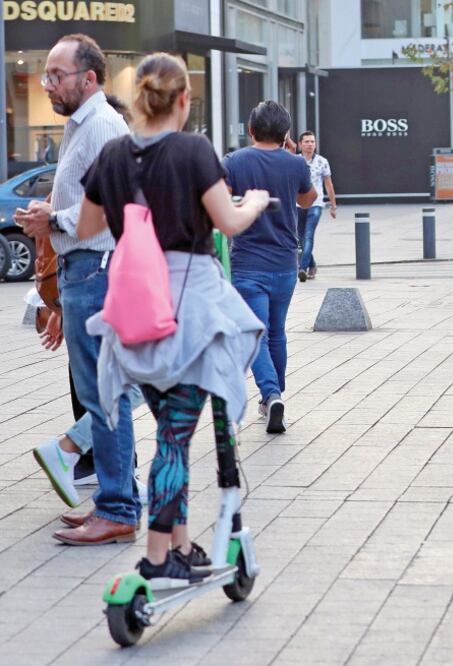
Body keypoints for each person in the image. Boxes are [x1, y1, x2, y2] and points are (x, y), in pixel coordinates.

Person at [77, 52, 270, 586]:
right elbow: (227, 224)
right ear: (184, 99)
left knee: (168, 429)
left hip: (134, 308)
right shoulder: (193, 150)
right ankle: (158, 557)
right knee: (173, 441)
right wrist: (252, 202)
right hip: (188, 311)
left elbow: (89, 224)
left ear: (139, 95)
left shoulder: (114, 154)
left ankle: (180, 547)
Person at [15, 34, 141, 546]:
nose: (47, 84)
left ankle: (116, 507)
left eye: (57, 75)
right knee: (104, 391)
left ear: (89, 79)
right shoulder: (81, 126)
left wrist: (55, 218)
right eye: (46, 74)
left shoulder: (104, 126)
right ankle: (117, 497)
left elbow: (119, 205)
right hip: (82, 269)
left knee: (105, 393)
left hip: (96, 267)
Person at [224, 101, 316, 434]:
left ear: (250, 130)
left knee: (255, 334)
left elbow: (220, 203)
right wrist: (291, 156)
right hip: (285, 263)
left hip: (248, 263)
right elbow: (308, 199)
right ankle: (272, 400)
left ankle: (271, 393)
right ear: (286, 134)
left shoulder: (235, 162)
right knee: (276, 331)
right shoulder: (295, 164)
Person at [296, 130, 336, 282]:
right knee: (299, 237)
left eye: (312, 141)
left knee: (308, 235)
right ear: (300, 144)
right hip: (298, 204)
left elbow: (329, 184)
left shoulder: (322, 161)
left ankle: (302, 268)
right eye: (306, 142)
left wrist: (333, 206)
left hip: (316, 203)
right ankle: (312, 264)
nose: (310, 144)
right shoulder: (295, 161)